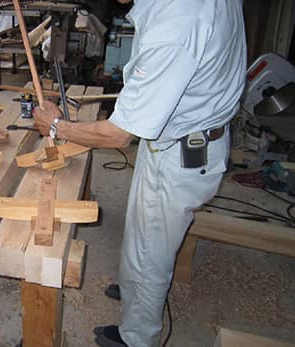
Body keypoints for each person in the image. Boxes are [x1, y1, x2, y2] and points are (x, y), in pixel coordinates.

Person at [33, 0, 247, 346]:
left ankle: (136, 337)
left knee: (151, 253)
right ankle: (136, 287)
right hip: (179, 136)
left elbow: (120, 135)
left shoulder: (176, 22)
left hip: (179, 153)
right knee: (143, 234)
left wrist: (56, 126)